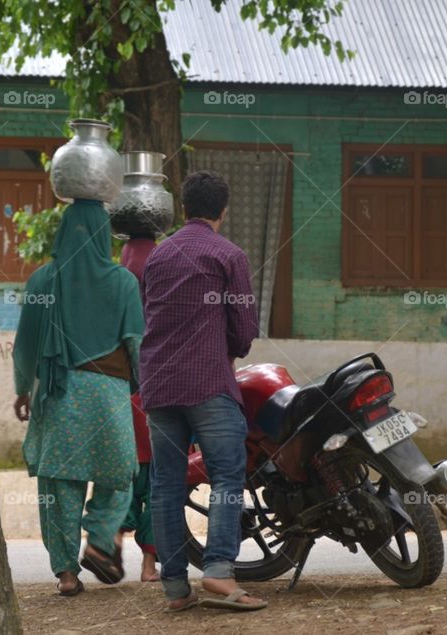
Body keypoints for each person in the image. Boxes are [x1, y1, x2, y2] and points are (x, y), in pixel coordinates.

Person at [139, 170, 267, 612]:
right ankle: (218, 572)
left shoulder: (157, 257)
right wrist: (224, 349)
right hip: (208, 381)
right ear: (223, 210)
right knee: (228, 476)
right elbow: (244, 330)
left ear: (184, 209)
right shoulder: (228, 255)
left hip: (157, 385)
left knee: (165, 485)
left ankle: (175, 588)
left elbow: (148, 316)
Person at [12, 198, 144, 597]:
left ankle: (67, 574)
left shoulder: (42, 281)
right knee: (119, 474)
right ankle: (100, 540)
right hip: (108, 394)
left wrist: (22, 389)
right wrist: (140, 385)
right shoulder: (123, 282)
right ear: (105, 237)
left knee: (59, 486)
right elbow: (135, 342)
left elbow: (26, 345)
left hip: (58, 391)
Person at [118, 232, 161, 582]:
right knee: (160, 489)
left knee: (123, 484)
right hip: (161, 404)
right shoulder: (166, 293)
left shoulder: (115, 289)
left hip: (124, 403)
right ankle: (149, 566)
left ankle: (110, 547)